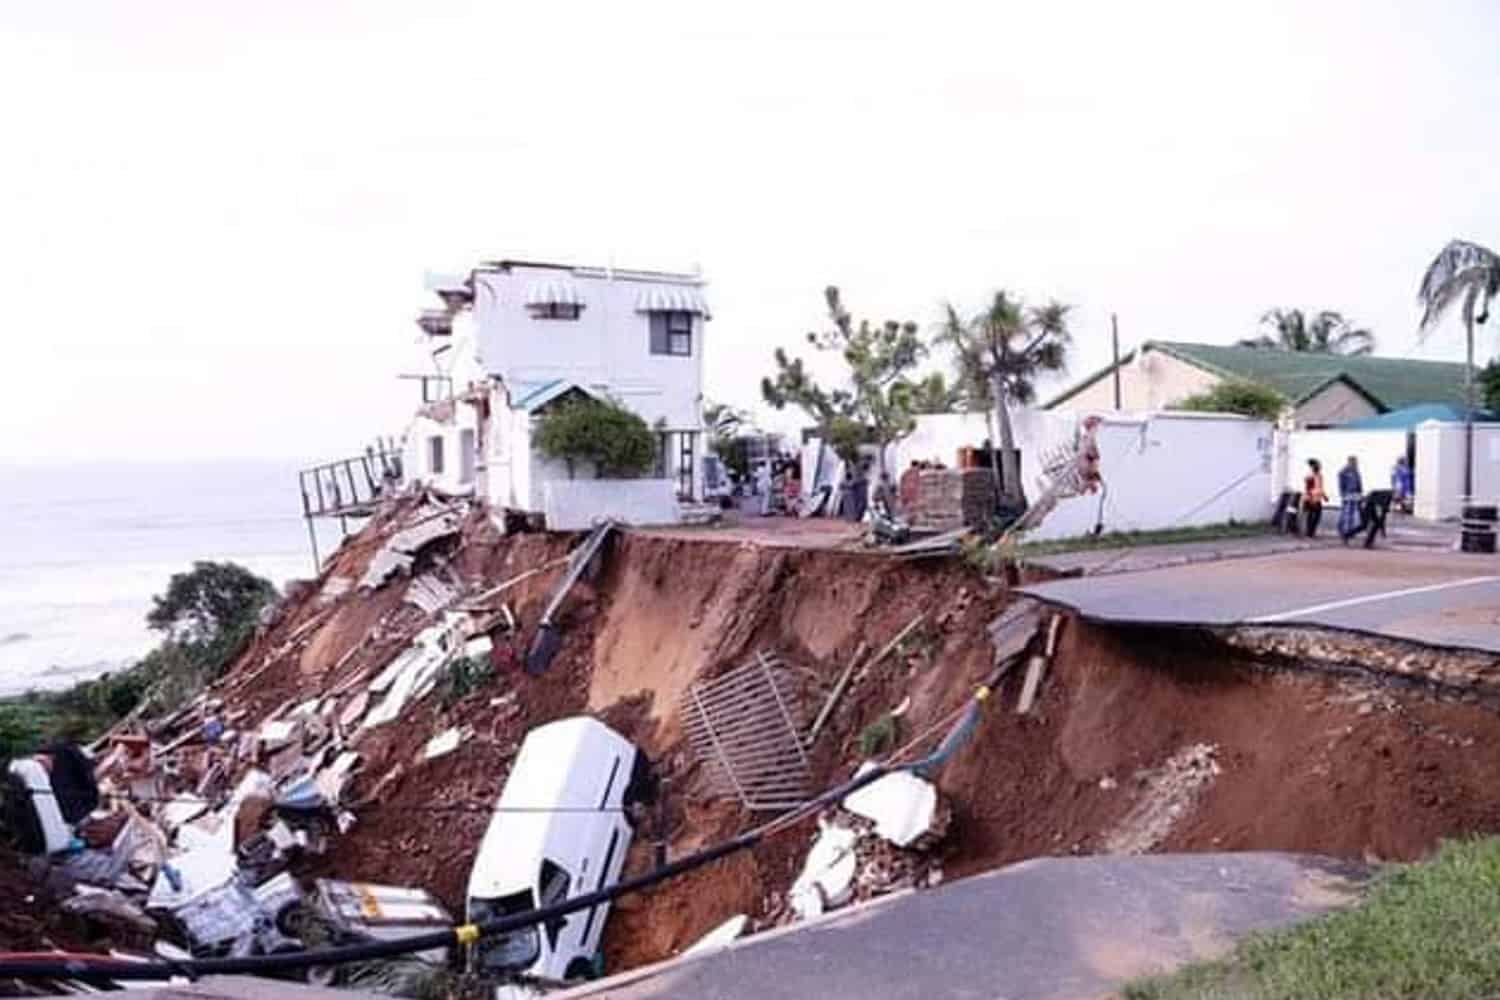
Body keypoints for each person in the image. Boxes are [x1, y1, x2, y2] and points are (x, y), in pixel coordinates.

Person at [1337, 455, 1364, 543]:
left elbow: (1359, 482)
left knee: (1352, 513)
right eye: (1354, 462)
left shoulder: (1356, 471)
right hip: (1347, 494)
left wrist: (1360, 492)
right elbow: (1341, 484)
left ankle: (1350, 531)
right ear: (1349, 462)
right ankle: (1343, 530)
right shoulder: (1344, 472)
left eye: (1356, 462)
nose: (1356, 463)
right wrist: (1342, 493)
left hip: (1355, 494)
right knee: (1346, 513)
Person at [1301, 458, 1326, 537]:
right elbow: (1309, 488)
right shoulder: (1311, 476)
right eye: (1318, 465)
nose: (1319, 467)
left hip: (1315, 498)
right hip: (1311, 498)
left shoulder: (1318, 475)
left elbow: (1320, 487)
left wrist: (1324, 495)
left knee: (1314, 516)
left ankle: (1310, 532)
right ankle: (1309, 532)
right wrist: (1311, 498)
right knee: (1312, 516)